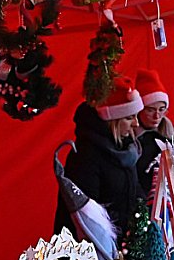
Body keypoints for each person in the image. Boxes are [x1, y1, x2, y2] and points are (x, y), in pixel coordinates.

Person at [54, 77, 144, 237]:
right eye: (129, 118)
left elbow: (133, 191)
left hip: (121, 245)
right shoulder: (86, 156)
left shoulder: (126, 148)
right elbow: (86, 215)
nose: (136, 124)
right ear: (112, 120)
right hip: (92, 251)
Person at [134, 68, 174, 200]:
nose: (157, 116)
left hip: (170, 200)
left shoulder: (168, 130)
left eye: (162, 109)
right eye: (150, 110)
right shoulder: (130, 135)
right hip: (141, 201)